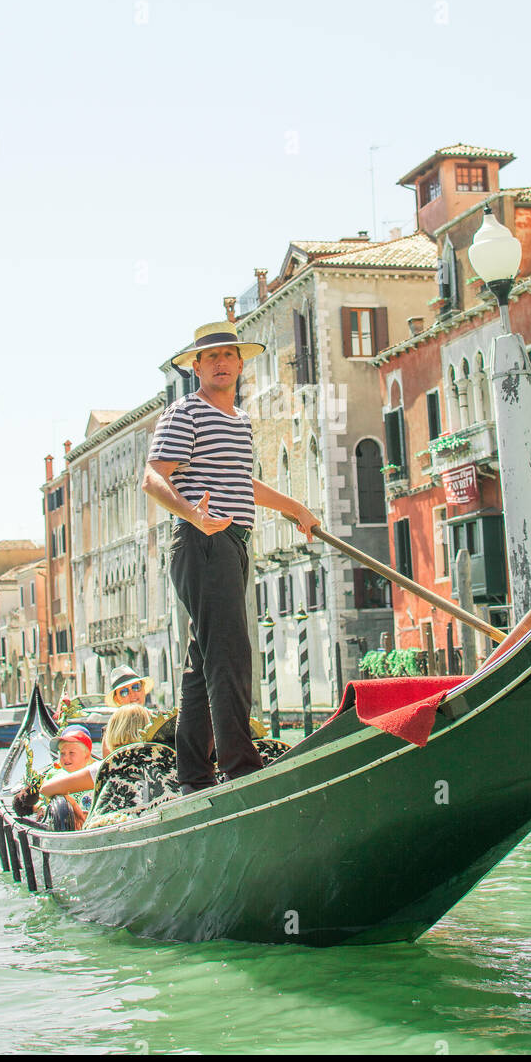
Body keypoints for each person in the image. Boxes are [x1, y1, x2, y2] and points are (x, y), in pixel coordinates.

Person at [142, 319, 319, 795]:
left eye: (229, 356)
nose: (221, 363)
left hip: (231, 543)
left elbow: (244, 484)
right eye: (211, 357)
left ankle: (195, 777)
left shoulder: (239, 421)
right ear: (196, 365)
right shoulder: (186, 413)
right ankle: (242, 770)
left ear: (241, 364)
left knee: (204, 662)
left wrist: (294, 508)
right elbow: (154, 477)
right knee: (231, 657)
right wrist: (192, 515)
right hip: (203, 543)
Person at [40, 705, 153, 812]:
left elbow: (46, 789)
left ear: (113, 732)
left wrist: (73, 805)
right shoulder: (160, 760)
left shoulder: (105, 768)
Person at [101, 666, 153, 756]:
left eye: (136, 687)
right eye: (124, 692)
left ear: (143, 689)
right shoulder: (110, 732)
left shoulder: (159, 720)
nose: (132, 694)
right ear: (117, 699)